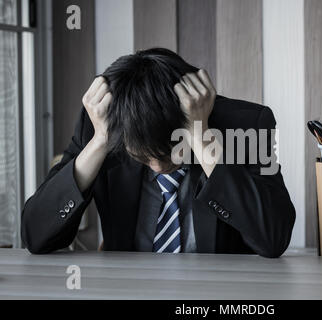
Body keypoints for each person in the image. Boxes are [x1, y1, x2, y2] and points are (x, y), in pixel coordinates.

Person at [21, 48, 295, 258]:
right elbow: (34, 235)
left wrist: (202, 137)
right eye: (142, 156)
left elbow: (273, 239)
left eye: (168, 152)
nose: (156, 166)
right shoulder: (105, 124)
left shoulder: (247, 125)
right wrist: (100, 141)